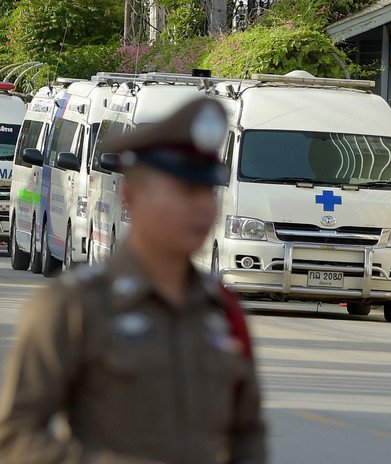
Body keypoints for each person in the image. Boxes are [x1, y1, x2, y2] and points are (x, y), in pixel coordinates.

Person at [0, 98, 267, 464]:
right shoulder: (75, 305)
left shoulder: (222, 311)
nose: (202, 207)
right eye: (184, 191)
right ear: (132, 196)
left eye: (208, 191)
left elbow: (248, 435)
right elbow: (15, 439)